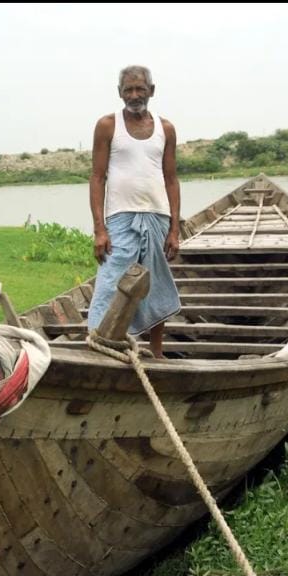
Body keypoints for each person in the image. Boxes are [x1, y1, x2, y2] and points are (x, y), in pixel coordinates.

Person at [86, 65, 181, 358]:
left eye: (140, 88)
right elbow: (97, 177)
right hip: (120, 217)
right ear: (120, 92)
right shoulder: (107, 125)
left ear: (152, 90)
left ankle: (156, 352)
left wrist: (175, 228)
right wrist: (100, 228)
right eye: (128, 89)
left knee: (155, 282)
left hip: (157, 216)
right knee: (111, 280)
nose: (135, 95)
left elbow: (171, 179)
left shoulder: (165, 129)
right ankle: (100, 344)